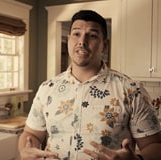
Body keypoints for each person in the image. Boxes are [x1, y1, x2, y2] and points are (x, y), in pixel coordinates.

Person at [18, 10, 161, 160]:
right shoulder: (47, 89)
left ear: (104, 45)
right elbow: (31, 134)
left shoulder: (131, 90)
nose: (82, 41)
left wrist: (137, 159)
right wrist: (26, 149)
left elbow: (155, 146)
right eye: (76, 34)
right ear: (68, 40)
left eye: (92, 35)